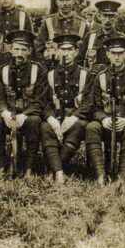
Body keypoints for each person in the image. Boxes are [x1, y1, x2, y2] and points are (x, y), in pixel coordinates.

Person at [84, 36, 125, 185]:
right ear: (107, 54)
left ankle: (122, 177)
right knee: (91, 127)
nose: (117, 57)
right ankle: (100, 174)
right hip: (106, 122)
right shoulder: (99, 78)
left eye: (120, 53)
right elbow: (93, 106)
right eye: (113, 53)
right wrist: (102, 119)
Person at [0, 29, 47, 177]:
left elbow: (40, 99)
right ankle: (1, 165)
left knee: (35, 122)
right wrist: (4, 112)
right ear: (10, 49)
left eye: (23, 49)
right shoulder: (2, 70)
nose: (19, 53)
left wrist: (26, 114)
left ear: (29, 51)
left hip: (28, 115)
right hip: (9, 114)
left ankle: (28, 167)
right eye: (16, 49)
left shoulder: (38, 70)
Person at [41, 34, 95, 184]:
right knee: (45, 127)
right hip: (56, 116)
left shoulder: (85, 74)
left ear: (76, 51)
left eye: (69, 49)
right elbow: (43, 101)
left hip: (75, 117)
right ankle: (58, 172)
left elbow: (89, 102)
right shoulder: (50, 74)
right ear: (57, 51)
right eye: (62, 50)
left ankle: (54, 167)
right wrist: (50, 117)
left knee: (80, 126)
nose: (66, 53)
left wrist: (75, 116)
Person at [35, 0, 89, 68]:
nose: (65, 3)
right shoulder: (48, 22)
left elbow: (87, 53)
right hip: (53, 71)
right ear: (56, 1)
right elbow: (38, 51)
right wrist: (45, 71)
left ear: (74, 0)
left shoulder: (83, 24)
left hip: (76, 74)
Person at [79, 0, 123, 73]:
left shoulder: (121, 38)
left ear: (116, 18)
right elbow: (79, 61)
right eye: (105, 16)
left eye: (111, 16)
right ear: (99, 17)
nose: (107, 20)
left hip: (113, 80)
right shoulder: (90, 37)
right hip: (93, 79)